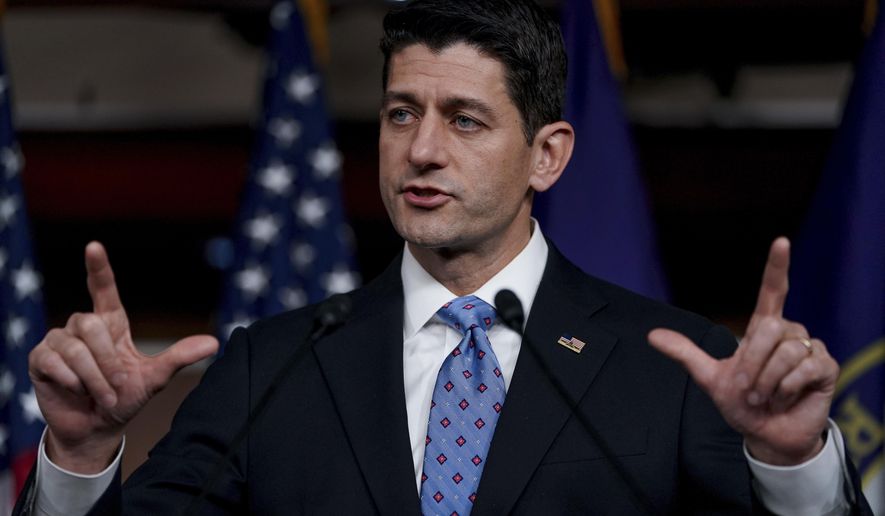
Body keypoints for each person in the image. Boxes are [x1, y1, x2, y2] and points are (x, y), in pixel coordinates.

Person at [17, 0, 872, 514]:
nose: (421, 150)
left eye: (463, 120)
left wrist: (793, 465)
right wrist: (82, 455)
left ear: (548, 155)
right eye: (399, 114)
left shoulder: (679, 371)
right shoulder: (268, 368)